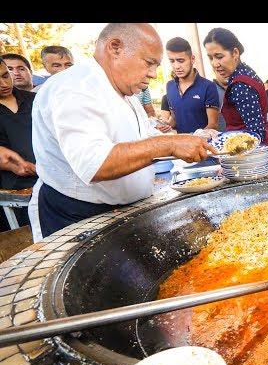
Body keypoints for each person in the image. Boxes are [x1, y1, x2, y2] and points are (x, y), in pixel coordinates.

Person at [29, 23, 214, 240]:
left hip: (117, 212)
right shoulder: (75, 88)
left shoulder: (123, 92)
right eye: (149, 63)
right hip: (79, 218)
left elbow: (141, 139)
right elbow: (95, 164)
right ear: (115, 48)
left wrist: (180, 141)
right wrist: (170, 145)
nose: (154, 74)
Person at [203, 27, 268, 171]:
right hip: (257, 158)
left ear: (235, 53)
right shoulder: (244, 73)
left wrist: (222, 141)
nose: (215, 63)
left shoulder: (240, 85)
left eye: (219, 56)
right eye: (210, 57)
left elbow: (256, 134)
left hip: (255, 162)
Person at [0, 57, 37, 226]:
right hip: (11, 194)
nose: (4, 83)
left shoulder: (35, 100)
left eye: (5, 75)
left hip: (49, 181)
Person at [164, 37, 219, 134]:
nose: (176, 66)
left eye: (180, 60)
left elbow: (213, 125)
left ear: (192, 59)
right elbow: (174, 118)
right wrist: (165, 126)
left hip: (203, 146)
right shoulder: (170, 86)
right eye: (172, 61)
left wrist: (193, 140)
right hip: (180, 146)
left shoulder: (208, 86)